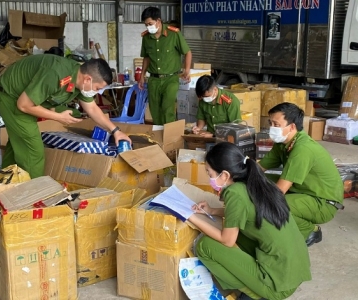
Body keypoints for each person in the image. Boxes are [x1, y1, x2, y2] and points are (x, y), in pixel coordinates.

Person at [190, 142, 311, 300]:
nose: (209, 178)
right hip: (293, 270)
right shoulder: (256, 182)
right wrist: (212, 211)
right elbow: (244, 213)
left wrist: (190, 217)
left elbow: (227, 240)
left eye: (210, 173)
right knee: (238, 231)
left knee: (205, 246)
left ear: (225, 175)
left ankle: (252, 293)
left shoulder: (234, 192)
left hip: (276, 286)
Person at [0, 54, 131, 178]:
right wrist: (58, 117)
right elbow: (24, 105)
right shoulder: (55, 74)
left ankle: (4, 185)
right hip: (12, 100)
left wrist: (116, 131)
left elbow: (92, 108)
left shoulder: (79, 79)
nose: (97, 93)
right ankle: (33, 197)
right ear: (88, 79)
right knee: (34, 152)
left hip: (26, 102)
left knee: (18, 145)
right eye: (97, 88)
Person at [258, 102, 344, 246]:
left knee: (274, 205)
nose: (271, 128)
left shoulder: (303, 149)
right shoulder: (283, 142)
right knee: (259, 180)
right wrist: (237, 180)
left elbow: (279, 191)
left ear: (292, 127)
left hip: (323, 203)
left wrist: (250, 201)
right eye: (270, 123)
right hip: (303, 190)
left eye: (276, 124)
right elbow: (259, 168)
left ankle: (311, 231)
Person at [138, 6, 192, 125]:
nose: (148, 27)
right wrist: (142, 75)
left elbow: (187, 52)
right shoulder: (146, 37)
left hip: (171, 79)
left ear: (158, 20)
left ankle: (169, 139)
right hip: (153, 80)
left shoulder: (173, 34)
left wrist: (187, 70)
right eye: (146, 25)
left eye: (150, 23)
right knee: (155, 110)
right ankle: (159, 138)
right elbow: (146, 57)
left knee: (168, 109)